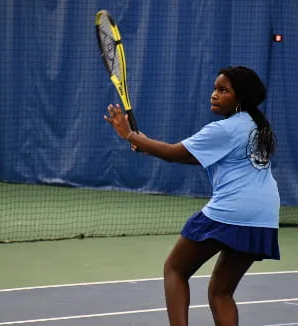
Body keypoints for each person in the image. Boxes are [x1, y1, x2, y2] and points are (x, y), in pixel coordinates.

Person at [104, 66, 280, 326]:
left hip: (231, 210)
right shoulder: (255, 126)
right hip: (263, 216)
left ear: (240, 98)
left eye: (223, 90)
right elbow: (190, 156)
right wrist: (145, 146)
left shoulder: (225, 129)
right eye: (215, 88)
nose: (214, 95)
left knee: (175, 269)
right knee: (221, 293)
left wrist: (129, 135)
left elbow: (175, 152)